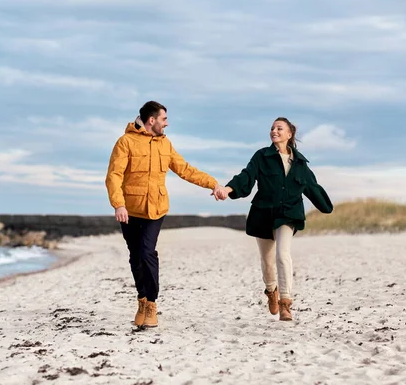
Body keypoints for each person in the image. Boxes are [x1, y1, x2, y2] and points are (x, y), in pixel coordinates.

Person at [106, 101, 224, 328]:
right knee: (135, 256)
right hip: (130, 210)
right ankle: (141, 299)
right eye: (164, 119)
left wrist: (213, 184)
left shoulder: (165, 144)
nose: (166, 124)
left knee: (147, 252)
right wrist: (118, 204)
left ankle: (151, 304)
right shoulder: (125, 142)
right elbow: (114, 176)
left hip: (156, 209)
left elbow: (185, 169)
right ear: (152, 120)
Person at [213, 117, 333, 321]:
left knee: (282, 255)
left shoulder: (301, 164)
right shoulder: (262, 156)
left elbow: (312, 187)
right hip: (263, 213)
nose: (274, 131)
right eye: (272, 128)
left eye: (279, 128)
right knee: (267, 261)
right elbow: (246, 177)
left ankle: (285, 303)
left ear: (289, 134)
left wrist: (326, 206)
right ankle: (271, 291)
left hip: (288, 214)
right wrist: (227, 188)